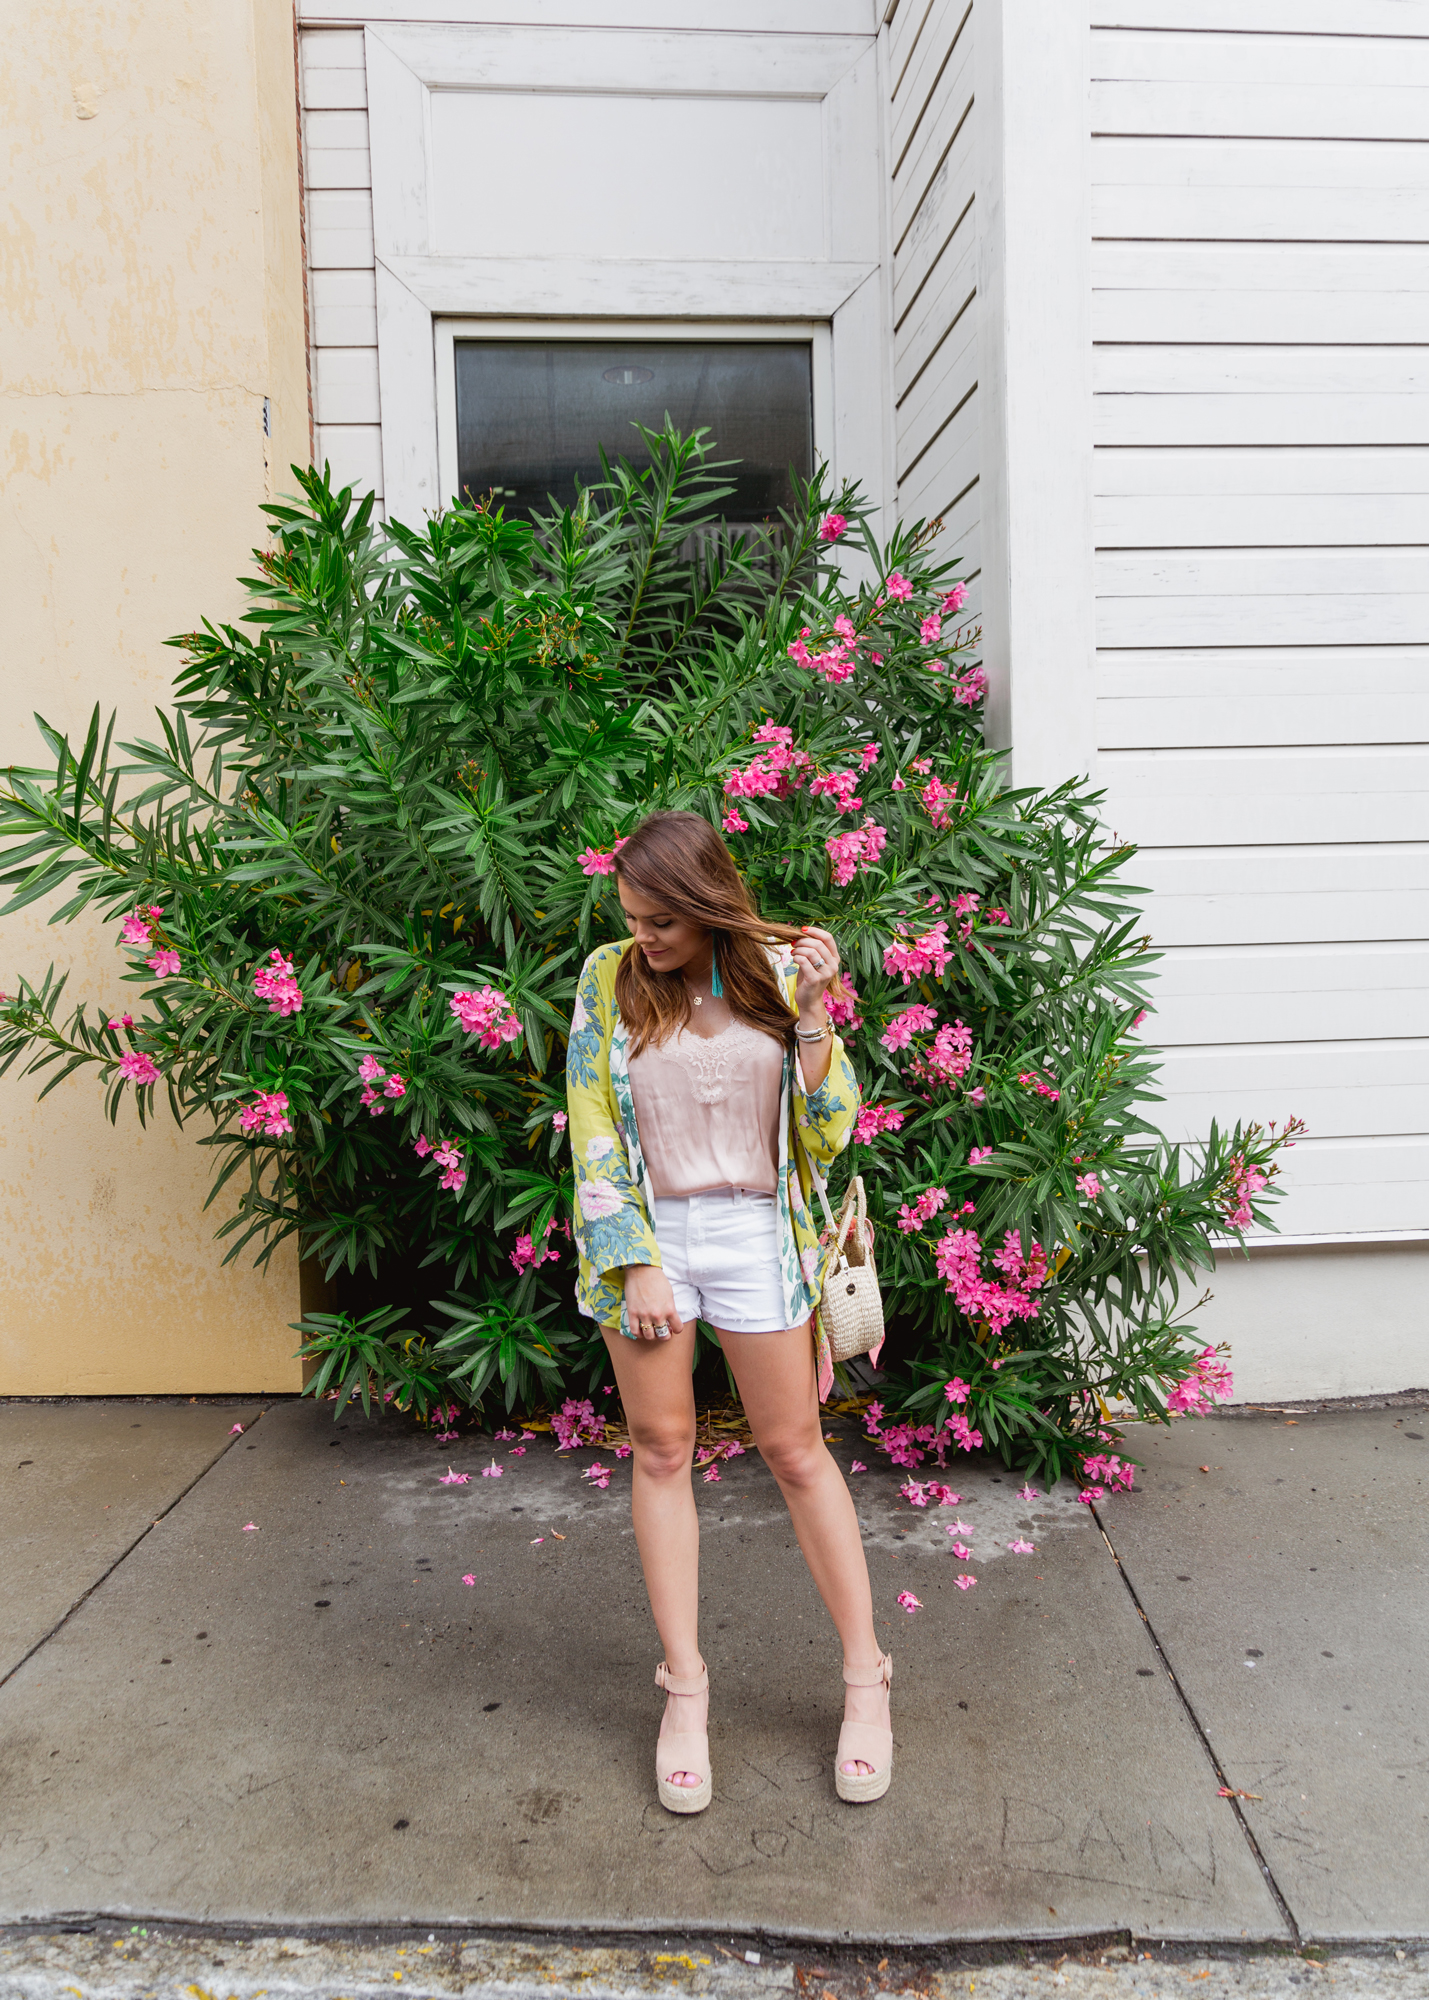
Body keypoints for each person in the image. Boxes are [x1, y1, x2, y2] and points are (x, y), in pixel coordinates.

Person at [565, 809, 893, 1814]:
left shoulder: (775, 970)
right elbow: (589, 1129)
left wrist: (816, 1010)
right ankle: (684, 1688)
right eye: (630, 917)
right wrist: (635, 1262)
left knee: (795, 1453)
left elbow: (830, 1128)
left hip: (758, 1236)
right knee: (660, 1451)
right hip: (655, 1236)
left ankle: (866, 1678)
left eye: (660, 921)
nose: (643, 938)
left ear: (706, 903)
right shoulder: (605, 977)